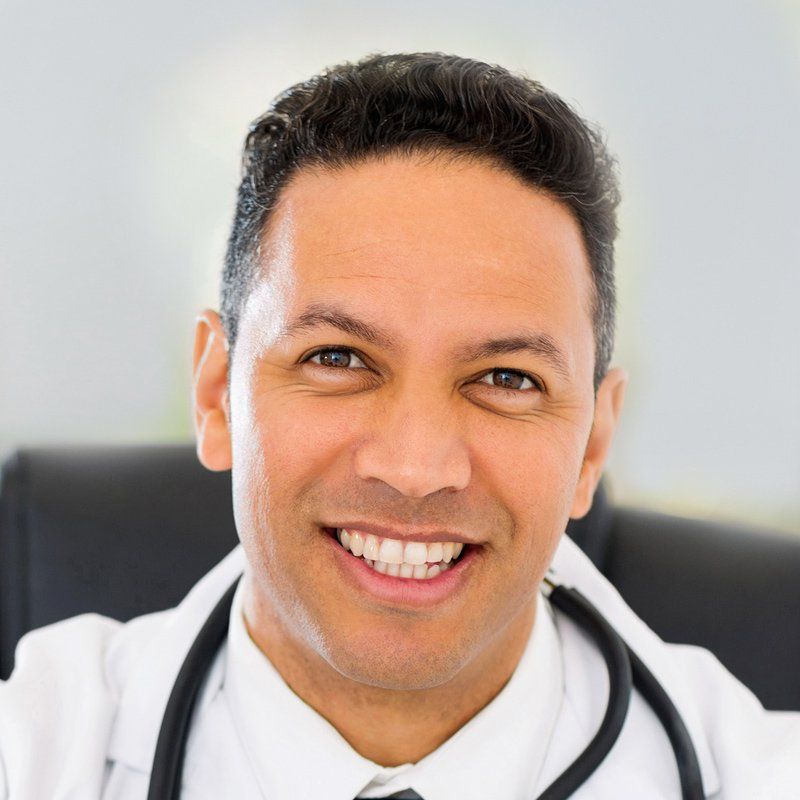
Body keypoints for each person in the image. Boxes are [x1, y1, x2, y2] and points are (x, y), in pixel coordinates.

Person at [0, 52, 798, 800]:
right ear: (215, 393)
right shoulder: (36, 752)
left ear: (592, 443)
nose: (415, 467)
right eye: (339, 358)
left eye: (506, 378)